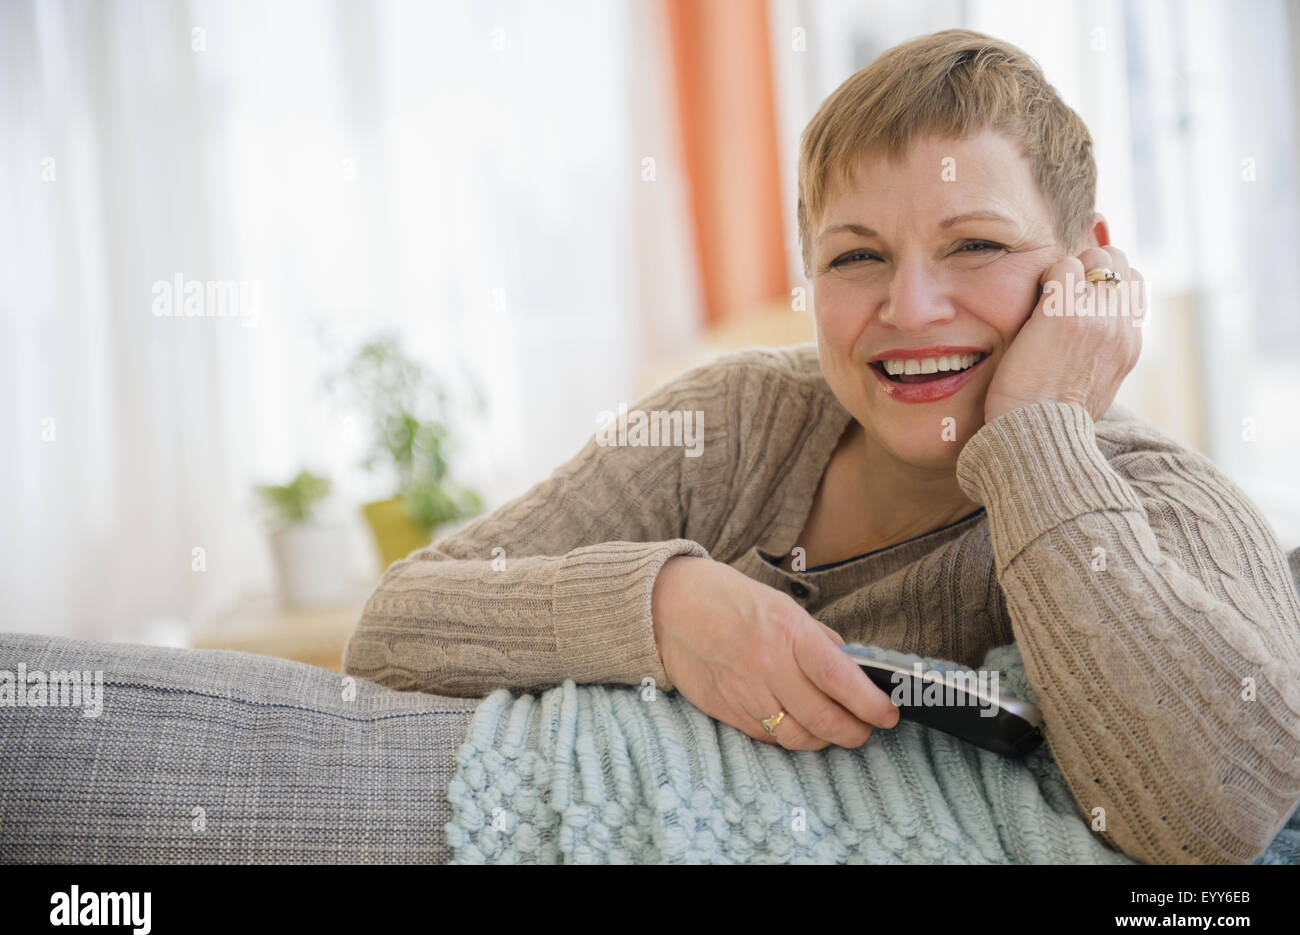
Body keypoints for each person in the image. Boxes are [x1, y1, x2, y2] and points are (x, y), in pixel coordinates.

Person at [344, 29, 1300, 865]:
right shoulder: (733, 422)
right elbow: (391, 629)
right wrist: (666, 609)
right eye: (857, 256)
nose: (911, 307)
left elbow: (1209, 826)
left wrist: (1036, 438)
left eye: (975, 246)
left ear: (1087, 268)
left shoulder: (1170, 500)